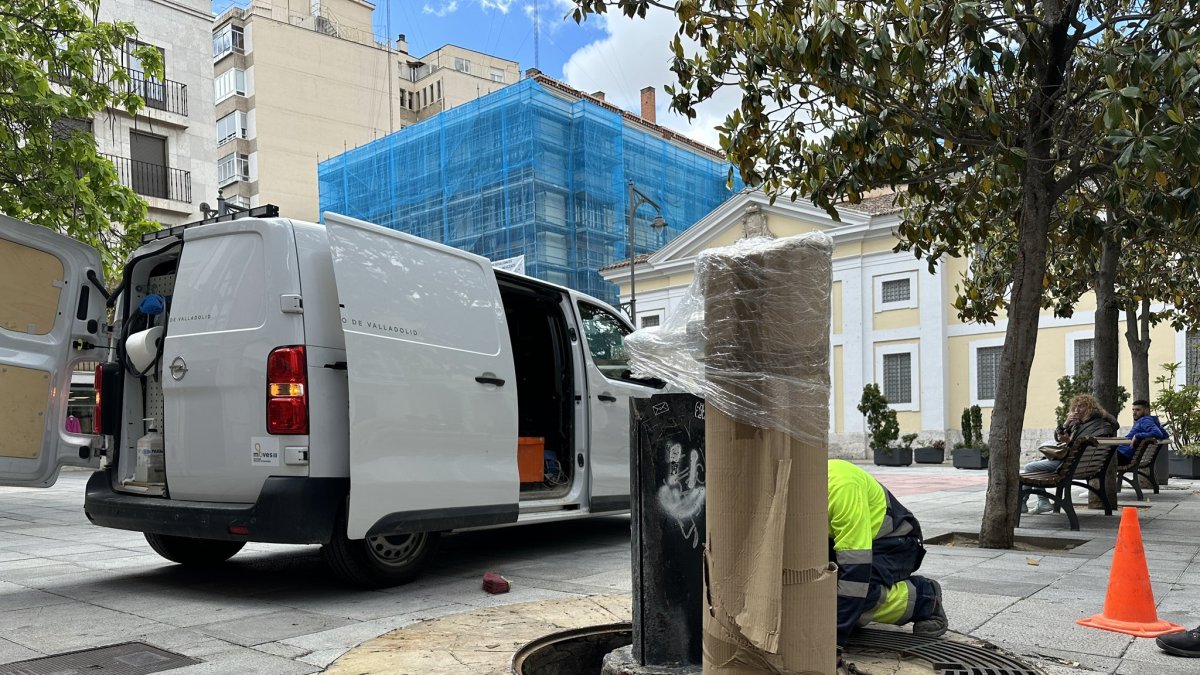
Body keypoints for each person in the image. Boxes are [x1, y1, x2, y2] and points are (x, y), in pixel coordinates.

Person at [828, 459, 946, 662]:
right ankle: (848, 614)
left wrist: (834, 642)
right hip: (863, 541)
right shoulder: (805, 483)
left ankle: (925, 598)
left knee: (846, 587)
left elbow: (855, 574)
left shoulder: (841, 489)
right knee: (823, 584)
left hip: (896, 545)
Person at [1021, 394, 1118, 514]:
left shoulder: (1096, 425)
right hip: (1081, 464)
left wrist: (1069, 442)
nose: (1076, 410)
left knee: (1029, 467)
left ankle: (1032, 503)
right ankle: (1039, 503)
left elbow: (1080, 446)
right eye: (1075, 407)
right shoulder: (1083, 423)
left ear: (1091, 408)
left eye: (1081, 407)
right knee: (1036, 464)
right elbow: (1059, 438)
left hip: (1073, 465)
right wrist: (1066, 424)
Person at [1114, 399, 1168, 467]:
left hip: (1124, 455)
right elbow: (1165, 435)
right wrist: (1157, 424)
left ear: (1146, 410)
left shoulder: (1145, 420)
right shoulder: (1149, 420)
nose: (1134, 412)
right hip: (1125, 455)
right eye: (1133, 410)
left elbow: (1158, 433)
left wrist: (1137, 435)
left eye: (1138, 410)